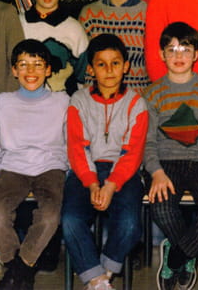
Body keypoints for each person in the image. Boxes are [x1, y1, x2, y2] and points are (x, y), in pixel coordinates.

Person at [143, 21, 198, 290]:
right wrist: (156, 172)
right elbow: (147, 141)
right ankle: (189, 252)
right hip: (166, 163)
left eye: (185, 49)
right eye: (171, 50)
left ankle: (178, 255)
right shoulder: (152, 93)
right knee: (160, 206)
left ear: (196, 54)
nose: (178, 55)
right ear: (161, 54)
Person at [62, 33, 148, 290]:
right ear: (90, 69)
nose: (109, 71)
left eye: (115, 63)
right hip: (84, 171)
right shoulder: (78, 101)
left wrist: (110, 185)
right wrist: (92, 183)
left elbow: (132, 152)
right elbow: (77, 148)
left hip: (124, 172)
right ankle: (98, 281)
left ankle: (102, 275)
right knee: (70, 220)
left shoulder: (136, 103)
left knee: (130, 224)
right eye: (101, 64)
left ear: (126, 66)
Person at [0, 39, 69, 290]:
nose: (30, 71)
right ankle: (19, 268)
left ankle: (19, 271)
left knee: (50, 215)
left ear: (48, 70)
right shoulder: (3, 102)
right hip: (13, 167)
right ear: (14, 70)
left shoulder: (62, 101)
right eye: (23, 65)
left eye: (38, 65)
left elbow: (71, 140)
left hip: (50, 166)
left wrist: (70, 171)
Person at [80, 0, 150, 92]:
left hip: (137, 97)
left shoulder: (148, 13)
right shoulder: (89, 14)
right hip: (97, 98)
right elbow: (82, 65)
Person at [21, 0, 89, 95]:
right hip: (24, 102)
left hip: (63, 103)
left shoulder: (74, 29)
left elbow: (83, 76)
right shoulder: (18, 24)